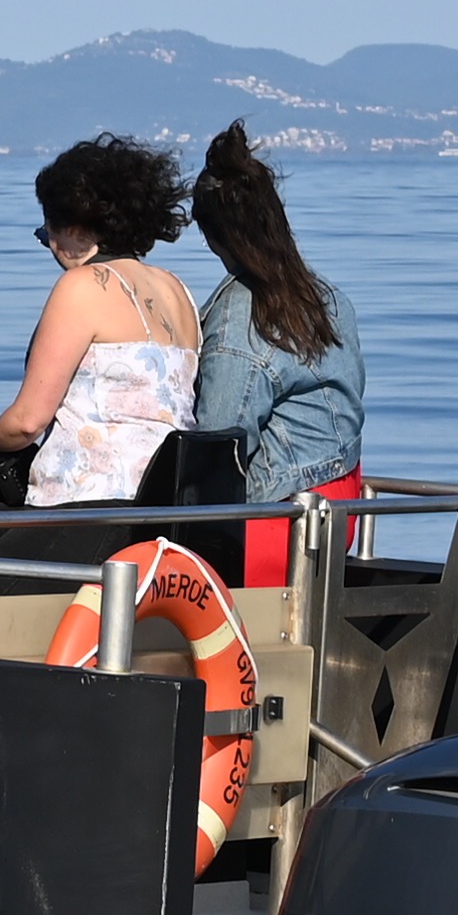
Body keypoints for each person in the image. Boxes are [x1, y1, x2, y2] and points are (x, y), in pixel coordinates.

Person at [182, 121, 366, 579]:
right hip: (337, 513)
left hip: (275, 524)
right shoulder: (328, 298)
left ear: (212, 235)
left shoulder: (237, 320)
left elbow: (221, 442)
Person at [0, 133, 203, 508]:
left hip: (89, 508)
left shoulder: (82, 286)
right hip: (167, 506)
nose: (50, 246)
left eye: (47, 233)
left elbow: (27, 421)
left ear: (73, 229)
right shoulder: (177, 290)